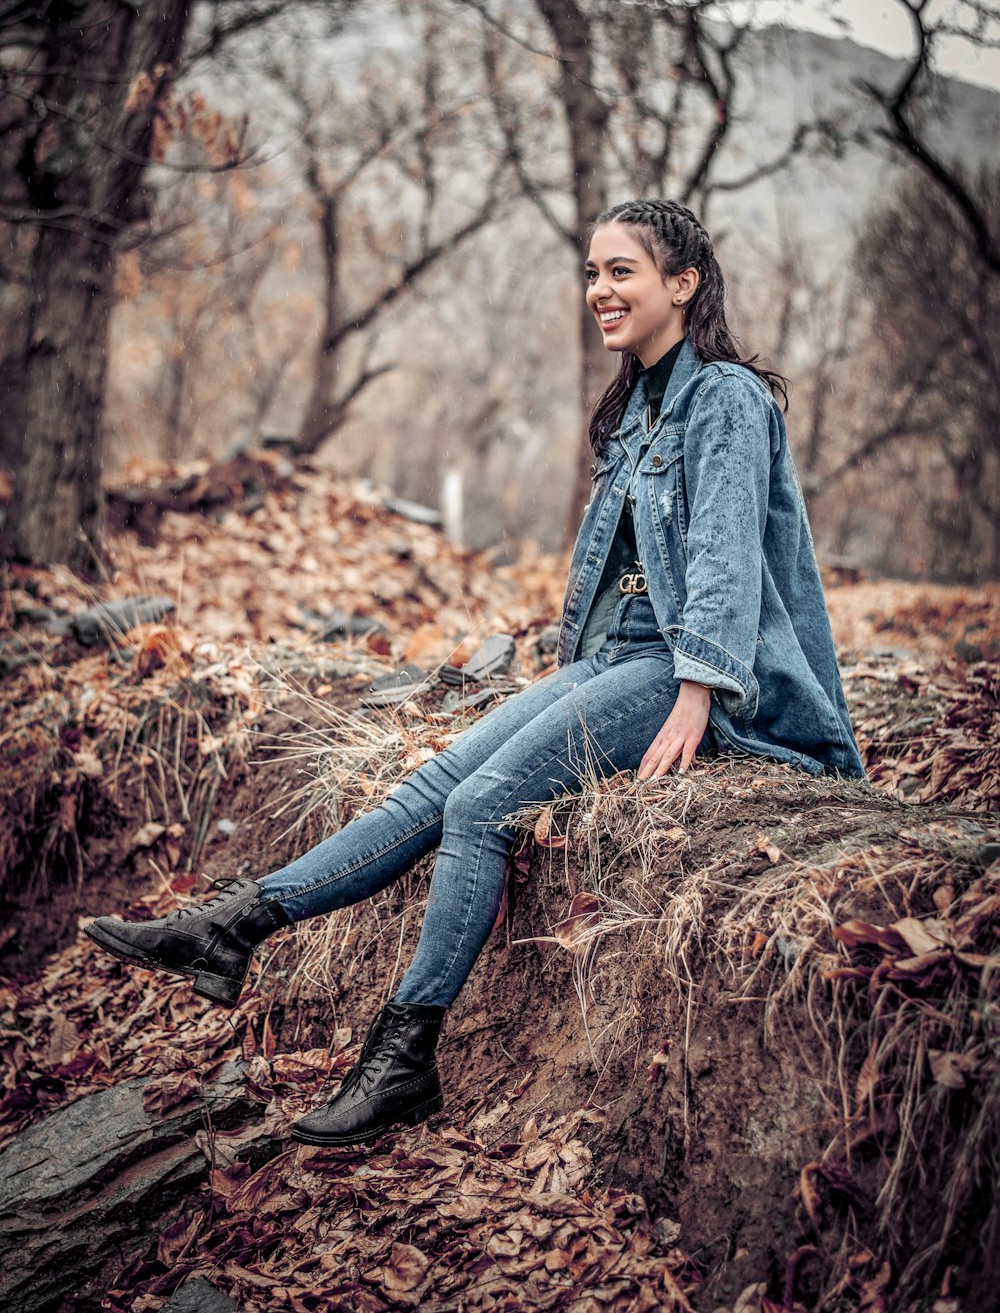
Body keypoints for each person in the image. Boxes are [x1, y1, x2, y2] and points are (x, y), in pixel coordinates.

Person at [86, 198, 864, 1148]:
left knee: (479, 808)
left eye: (621, 271)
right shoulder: (635, 408)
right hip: (619, 659)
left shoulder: (727, 399)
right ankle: (235, 928)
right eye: (591, 272)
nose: (599, 291)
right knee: (432, 787)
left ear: (683, 283)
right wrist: (572, 677)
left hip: (689, 669)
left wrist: (701, 688)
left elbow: (726, 557)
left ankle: (404, 1057)